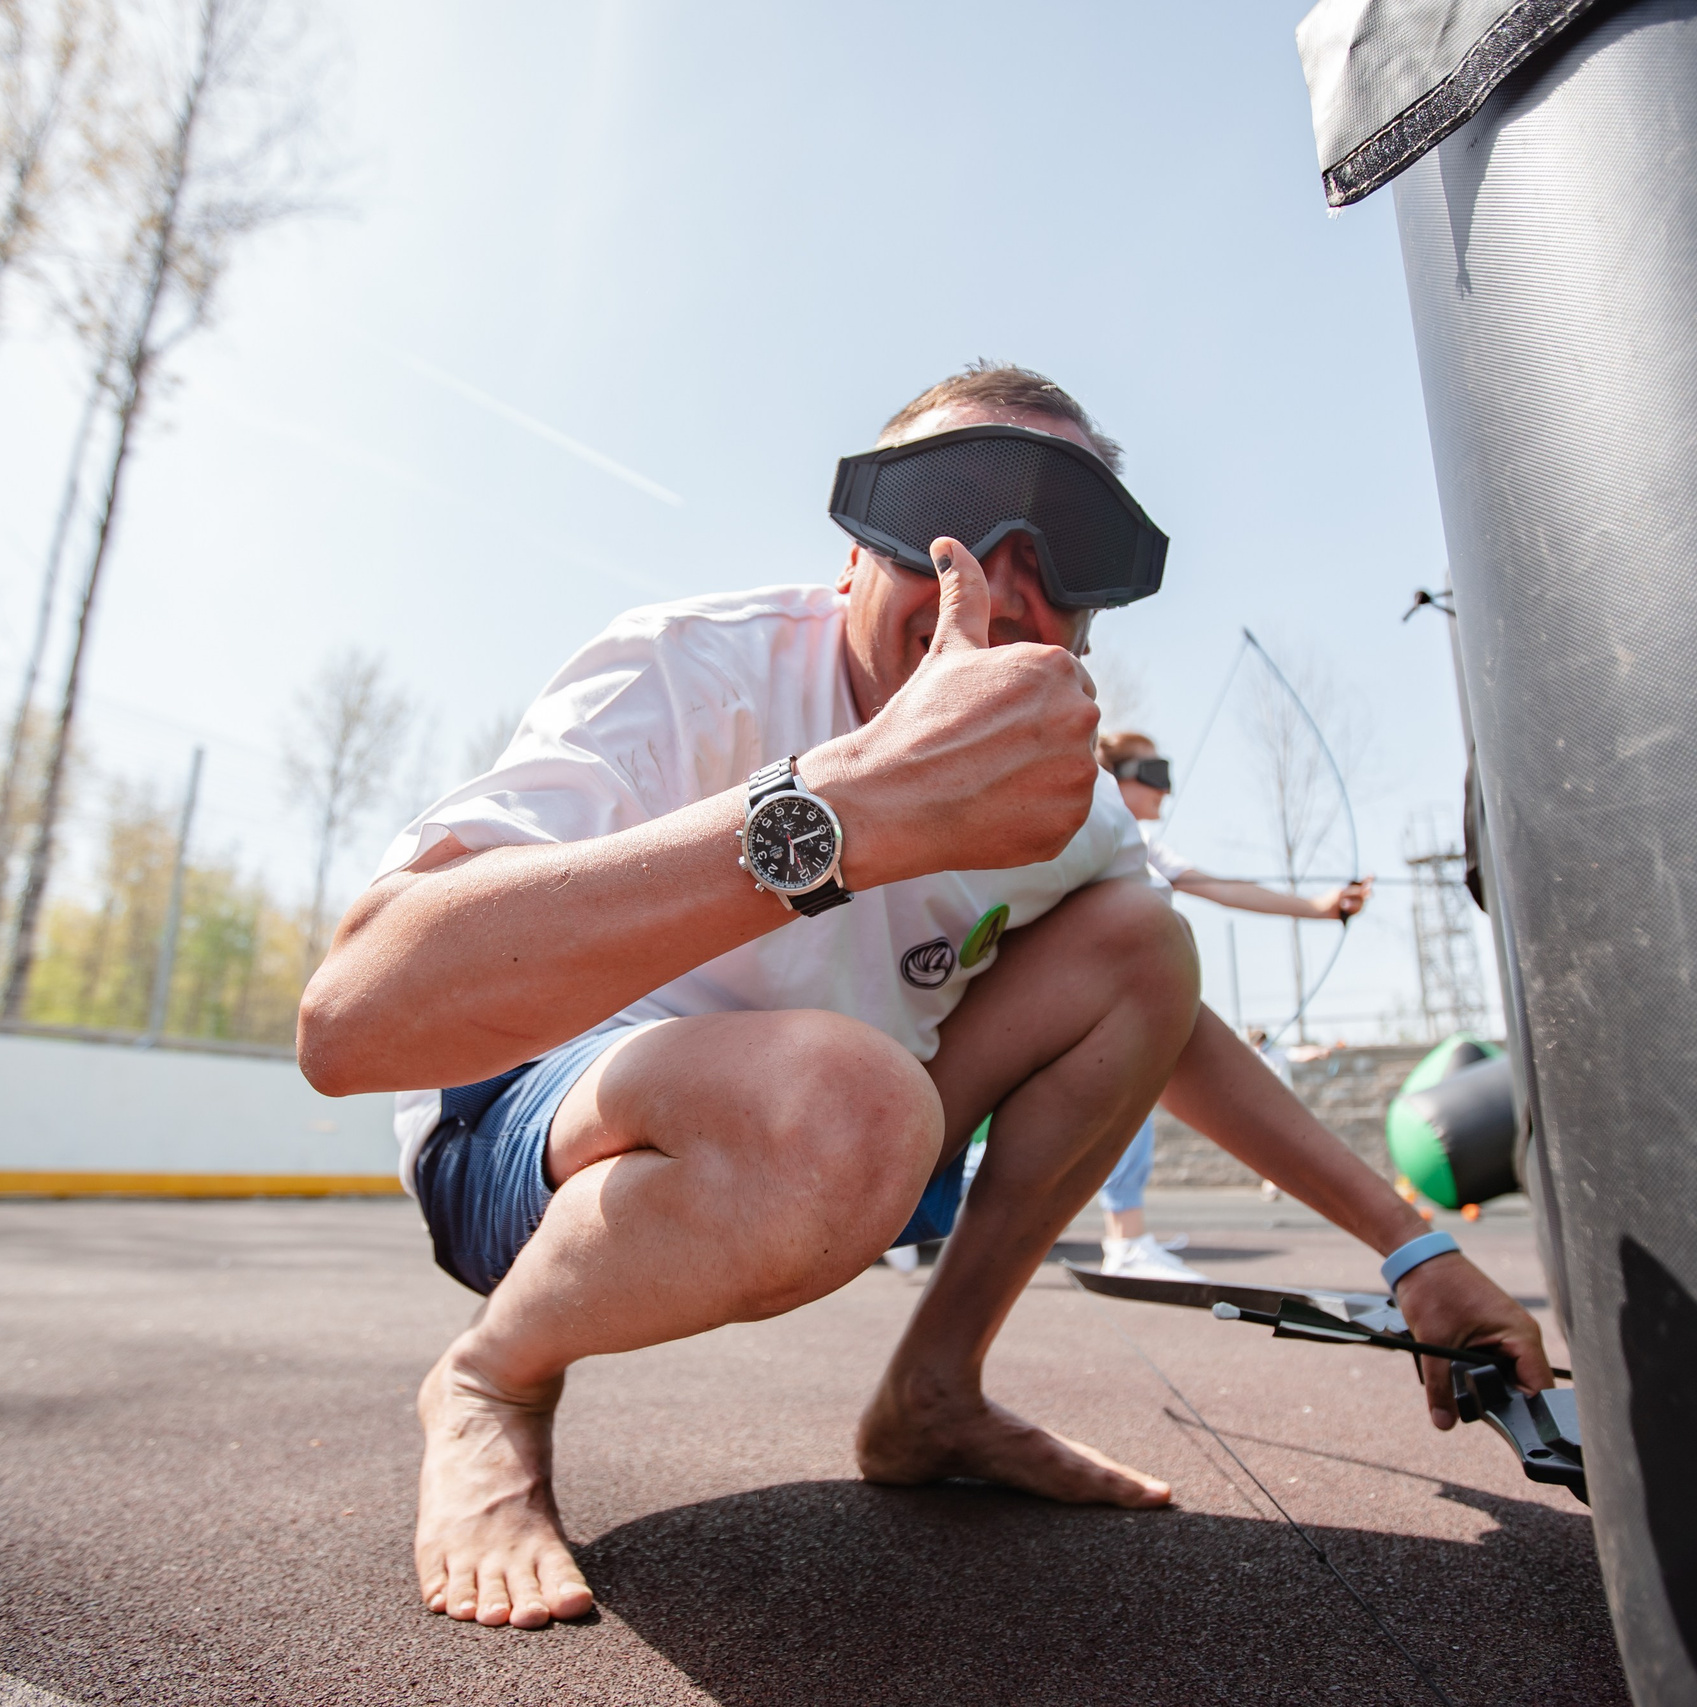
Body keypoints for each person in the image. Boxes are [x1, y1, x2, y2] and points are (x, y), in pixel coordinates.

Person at [299, 362, 1552, 1632]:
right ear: (851, 559)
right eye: (946, 510)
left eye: (1071, 550)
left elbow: (1161, 1018)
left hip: (844, 1136)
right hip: (519, 1133)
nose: (1000, 582)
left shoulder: (1070, 802)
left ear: (1090, 625)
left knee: (1142, 940)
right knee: (849, 1100)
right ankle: (492, 1379)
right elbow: (352, 1020)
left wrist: (1413, 1246)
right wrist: (844, 808)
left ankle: (933, 1392)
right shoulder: (690, 668)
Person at [1089, 729, 1375, 1278]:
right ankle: (1124, 1241)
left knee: (1119, 1109)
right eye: (1154, 774)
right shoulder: (1079, 822)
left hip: (1124, 994)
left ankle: (1125, 1238)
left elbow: (1223, 887)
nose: (1165, 791)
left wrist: (1319, 907)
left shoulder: (1140, 846)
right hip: (1078, 990)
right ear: (1117, 777)